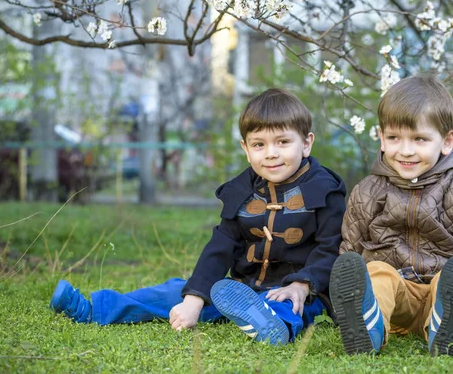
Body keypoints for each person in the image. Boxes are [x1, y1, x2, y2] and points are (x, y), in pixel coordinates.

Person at [50, 88, 347, 345]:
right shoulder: (242, 191)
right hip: (241, 290)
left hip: (298, 292)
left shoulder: (324, 190)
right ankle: (94, 309)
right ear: (246, 149)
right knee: (174, 292)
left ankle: (274, 327)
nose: (270, 153)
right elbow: (221, 247)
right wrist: (195, 297)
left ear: (306, 143)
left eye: (283, 142)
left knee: (291, 307)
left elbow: (331, 247)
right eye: (259, 144)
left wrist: (302, 285)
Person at [329, 73, 453, 356]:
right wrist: (340, 308)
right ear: (381, 138)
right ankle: (370, 326)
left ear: (446, 141)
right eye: (394, 137)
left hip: (441, 292)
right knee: (375, 272)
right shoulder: (368, 191)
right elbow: (349, 255)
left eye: (419, 139)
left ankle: (443, 328)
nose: (406, 150)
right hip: (395, 303)